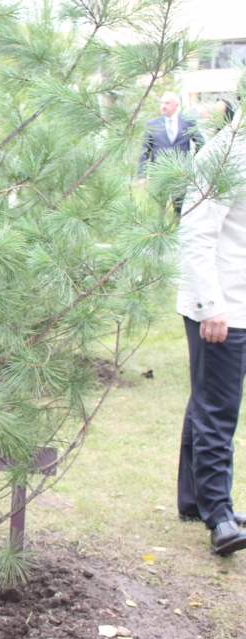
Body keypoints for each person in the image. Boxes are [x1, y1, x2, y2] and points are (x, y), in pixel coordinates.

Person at [176, 109, 246, 556]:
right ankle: (219, 515)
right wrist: (211, 308)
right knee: (218, 410)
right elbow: (195, 234)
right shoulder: (226, 154)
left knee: (204, 399)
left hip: (236, 300)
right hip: (222, 308)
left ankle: (192, 500)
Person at [139, 92, 205, 211]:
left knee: (180, 210)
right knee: (158, 211)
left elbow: (201, 142)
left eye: (167, 103)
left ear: (176, 105)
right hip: (159, 175)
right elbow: (144, 151)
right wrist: (142, 175)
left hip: (180, 174)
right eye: (162, 103)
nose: (163, 106)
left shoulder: (187, 122)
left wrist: (193, 164)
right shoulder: (152, 124)